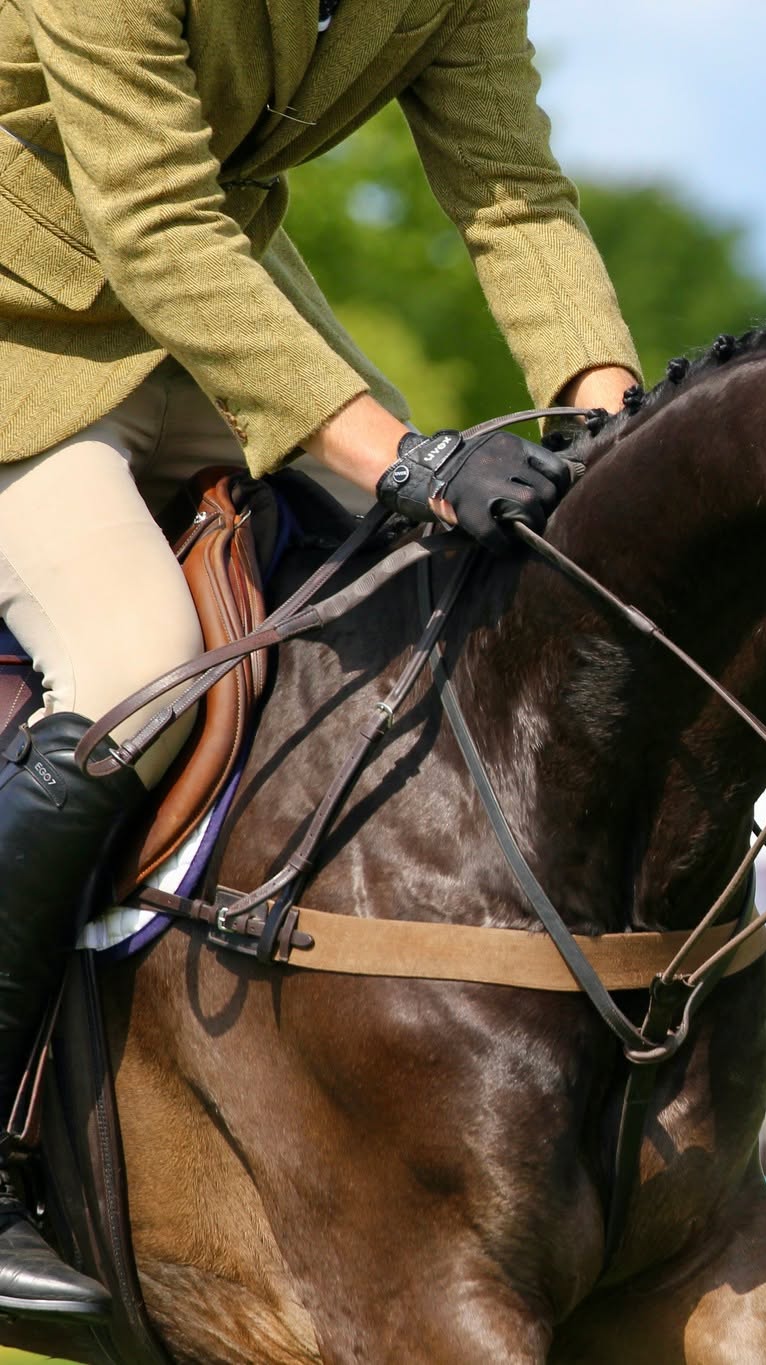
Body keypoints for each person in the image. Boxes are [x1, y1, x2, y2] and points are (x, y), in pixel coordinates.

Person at [0, 0, 640, 1320]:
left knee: (462, 598)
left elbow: (512, 190)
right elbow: (153, 215)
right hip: (24, 313)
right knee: (138, 661)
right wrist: (400, 455)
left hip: (221, 311)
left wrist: (608, 422)